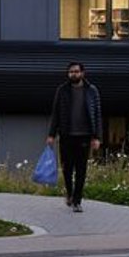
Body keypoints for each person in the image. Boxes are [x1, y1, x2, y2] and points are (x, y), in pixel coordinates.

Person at [46, 60, 103, 212]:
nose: (74, 74)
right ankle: (70, 194)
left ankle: (77, 201)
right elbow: (56, 113)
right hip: (66, 135)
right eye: (71, 72)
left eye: (76, 71)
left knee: (81, 169)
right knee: (67, 168)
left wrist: (97, 137)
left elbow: (97, 114)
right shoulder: (62, 90)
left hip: (84, 136)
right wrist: (51, 134)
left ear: (82, 73)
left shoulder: (92, 90)